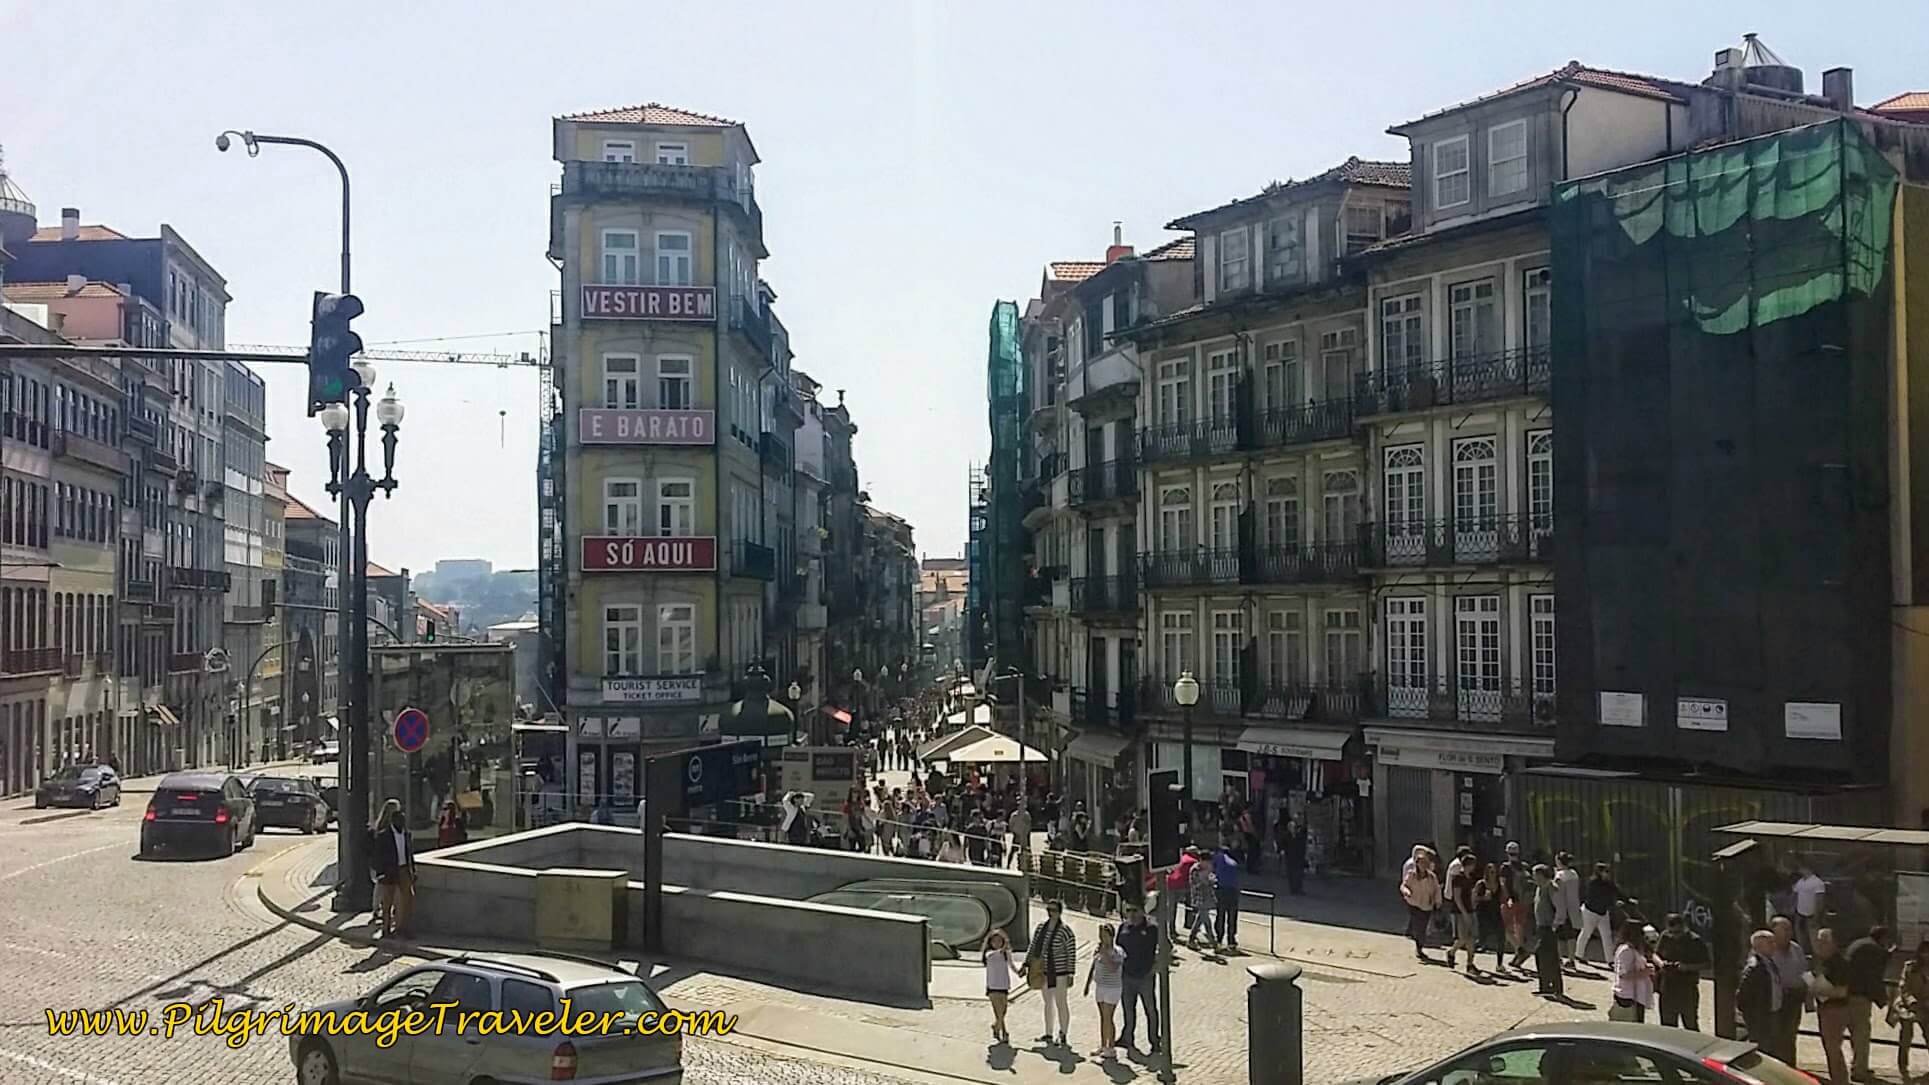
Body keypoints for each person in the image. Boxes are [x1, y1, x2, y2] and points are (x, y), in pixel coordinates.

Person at [1843, 924, 1893, 1081]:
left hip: (1847, 993)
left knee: (1854, 1034)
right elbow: (1874, 977)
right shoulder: (1876, 951)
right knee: (1862, 1035)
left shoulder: (1858, 944)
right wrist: (1882, 1000)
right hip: (1860, 996)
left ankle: (1858, 1066)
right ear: (1883, 938)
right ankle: (1859, 1071)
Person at [1028, 900, 1078, 1047]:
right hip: (1043, 971)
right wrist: (1027, 964)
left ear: (1060, 912)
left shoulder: (1065, 931)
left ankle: (1063, 1033)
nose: (1051, 912)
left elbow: (1071, 953)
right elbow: (1033, 947)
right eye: (1049, 909)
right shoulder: (1040, 928)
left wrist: (1070, 973)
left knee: (1061, 1003)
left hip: (1060, 973)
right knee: (1047, 1003)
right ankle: (1048, 1032)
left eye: (1054, 910)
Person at [1115, 903, 1161, 1054]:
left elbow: (1163, 949)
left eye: (1135, 910)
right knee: (1128, 1009)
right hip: (1127, 976)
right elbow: (1118, 950)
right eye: (1128, 910)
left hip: (1145, 977)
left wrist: (1154, 969)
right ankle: (1127, 1037)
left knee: (1150, 1010)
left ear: (1142, 911)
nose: (1132, 914)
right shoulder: (1123, 928)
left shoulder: (1152, 928)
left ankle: (1154, 1041)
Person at [1811, 928, 1854, 1085]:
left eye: (1825, 941)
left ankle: (1840, 1081)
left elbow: (1843, 991)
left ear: (1834, 943)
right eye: (1819, 941)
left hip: (1836, 1010)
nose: (1821, 945)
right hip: (1825, 1009)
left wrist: (1819, 990)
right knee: (1830, 1048)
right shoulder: (1822, 961)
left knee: (1833, 1049)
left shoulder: (1840, 963)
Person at [1655, 912, 1710, 1030]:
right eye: (1671, 932)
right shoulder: (1665, 936)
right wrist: (1661, 963)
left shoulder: (1695, 941)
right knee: (1667, 1027)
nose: (1674, 936)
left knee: (1690, 1024)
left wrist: (1687, 967)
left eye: (1677, 932)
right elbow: (1655, 954)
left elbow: (1707, 964)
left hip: (1687, 987)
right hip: (1667, 987)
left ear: (1684, 927)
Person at [1738, 930, 1788, 1059]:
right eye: (1770, 943)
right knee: (1762, 1051)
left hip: (1772, 1013)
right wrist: (1753, 1015)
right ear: (1759, 946)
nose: (1774, 946)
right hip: (1761, 1017)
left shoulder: (1769, 962)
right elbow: (1743, 994)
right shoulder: (1754, 966)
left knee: (1773, 1048)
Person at [369, 799, 415, 937]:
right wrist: (380, 872)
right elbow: (377, 856)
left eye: (403, 820)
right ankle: (386, 929)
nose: (402, 823)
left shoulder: (406, 835)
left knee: (408, 899)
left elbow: (409, 854)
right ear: (393, 821)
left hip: (403, 869)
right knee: (387, 902)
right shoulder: (384, 836)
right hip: (389, 871)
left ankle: (403, 928)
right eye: (399, 820)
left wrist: (413, 871)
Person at [1770, 915, 1811, 1070]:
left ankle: (1790, 1068)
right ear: (1774, 932)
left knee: (1790, 1036)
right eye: (1784, 930)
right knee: (1776, 1037)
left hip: (1794, 1000)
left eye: (1789, 929)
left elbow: (1804, 972)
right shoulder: (1768, 950)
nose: (1788, 933)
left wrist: (1811, 994)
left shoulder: (1796, 948)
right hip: (1776, 1001)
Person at [1084, 923, 1125, 1059]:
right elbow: (1093, 965)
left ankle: (1111, 1047)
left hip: (1112, 988)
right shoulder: (1098, 950)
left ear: (1111, 936)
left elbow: (1114, 967)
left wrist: (1105, 954)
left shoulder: (1118, 951)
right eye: (1101, 935)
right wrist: (1087, 984)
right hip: (1100, 987)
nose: (1102, 938)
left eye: (1105, 936)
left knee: (1109, 1017)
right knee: (1103, 1018)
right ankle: (1103, 1045)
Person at [1891, 937, 1929, 1080]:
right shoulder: (1910, 967)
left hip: (1926, 1007)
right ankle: (1903, 1065)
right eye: (1924, 952)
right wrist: (1912, 1002)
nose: (1926, 955)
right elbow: (1904, 987)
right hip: (1909, 1007)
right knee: (1906, 1036)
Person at [1611, 918, 1657, 1022]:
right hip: (1628, 997)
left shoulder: (1634, 948)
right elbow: (1623, 974)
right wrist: (1644, 973)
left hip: (1637, 995)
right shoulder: (1625, 950)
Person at [1402, 849, 1442, 962]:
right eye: (1421, 863)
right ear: (1417, 864)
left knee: (1423, 927)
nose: (1424, 865)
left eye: (1425, 863)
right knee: (1418, 926)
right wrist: (1406, 892)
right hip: (1414, 903)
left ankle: (1419, 943)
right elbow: (1404, 885)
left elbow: (1436, 889)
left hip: (1427, 905)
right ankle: (1418, 948)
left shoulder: (1431, 877)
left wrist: (1438, 901)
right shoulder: (1412, 875)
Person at [1576, 862, 1620, 965]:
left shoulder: (1608, 883)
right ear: (1599, 872)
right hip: (1590, 912)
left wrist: (1628, 900)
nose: (1607, 874)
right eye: (1605, 872)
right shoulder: (1593, 883)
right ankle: (1579, 954)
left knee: (1607, 936)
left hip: (1603, 913)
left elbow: (1617, 891)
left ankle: (1610, 960)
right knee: (1586, 933)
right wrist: (1613, 903)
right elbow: (1600, 898)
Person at [1531, 864, 1564, 998]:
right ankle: (1546, 985)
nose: (1534, 878)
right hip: (1541, 927)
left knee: (1548, 957)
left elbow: (1560, 908)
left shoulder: (1551, 888)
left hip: (1548, 928)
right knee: (1543, 957)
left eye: (1535, 875)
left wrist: (1555, 925)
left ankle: (1553, 986)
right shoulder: (1539, 888)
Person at [982, 928, 1015, 1045]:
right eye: (994, 941)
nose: (997, 943)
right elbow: (995, 954)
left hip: (1004, 984)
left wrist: (1019, 972)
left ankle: (996, 1026)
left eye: (999, 941)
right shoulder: (989, 954)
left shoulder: (1006, 953)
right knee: (998, 1011)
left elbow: (1011, 965)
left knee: (1003, 1010)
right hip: (993, 985)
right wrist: (1004, 947)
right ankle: (1005, 1032)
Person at [1554, 852, 1584, 969]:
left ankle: (1560, 958)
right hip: (1574, 907)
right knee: (1571, 936)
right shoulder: (1574, 874)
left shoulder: (1560, 876)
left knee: (1560, 936)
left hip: (1563, 909)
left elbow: (1557, 893)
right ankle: (1571, 959)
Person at [1475, 861, 1506, 974]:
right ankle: (1470, 961)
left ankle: (1499, 963)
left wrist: (1504, 891)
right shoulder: (1481, 884)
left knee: (1501, 937)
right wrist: (1483, 897)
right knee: (1482, 939)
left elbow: (1504, 898)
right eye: (1490, 872)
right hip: (1484, 914)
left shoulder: (1499, 884)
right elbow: (1475, 898)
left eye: (1494, 872)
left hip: (1496, 912)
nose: (1493, 874)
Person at [1186, 848, 1218, 950]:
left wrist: (1211, 880)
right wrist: (1206, 878)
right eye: (1207, 862)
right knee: (1206, 919)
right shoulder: (1195, 869)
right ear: (1202, 860)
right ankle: (1213, 942)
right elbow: (1197, 884)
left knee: (1200, 918)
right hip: (1199, 897)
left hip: (1208, 896)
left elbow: (1212, 880)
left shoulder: (1208, 868)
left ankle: (1191, 939)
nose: (1208, 864)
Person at [1212, 844, 1242, 950]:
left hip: (1222, 890)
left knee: (1220, 914)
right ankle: (1231, 940)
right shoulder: (1233, 862)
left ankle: (1219, 938)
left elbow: (1214, 871)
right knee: (1232, 915)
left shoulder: (1219, 857)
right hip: (1233, 890)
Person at [1793, 867, 1828, 952]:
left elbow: (1820, 900)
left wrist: (1816, 915)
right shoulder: (1800, 882)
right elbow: (1796, 894)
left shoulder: (1817, 882)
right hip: (1800, 915)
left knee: (1814, 941)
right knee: (1801, 939)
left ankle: (1818, 960)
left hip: (1812, 915)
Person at [1007, 802, 1032, 870]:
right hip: (1017, 835)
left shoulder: (1027, 815)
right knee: (1013, 850)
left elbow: (1029, 824)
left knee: (1025, 850)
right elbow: (1011, 825)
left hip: (1024, 835)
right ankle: (1008, 864)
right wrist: (1014, 832)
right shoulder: (1014, 815)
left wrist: (1026, 833)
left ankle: (1027, 865)